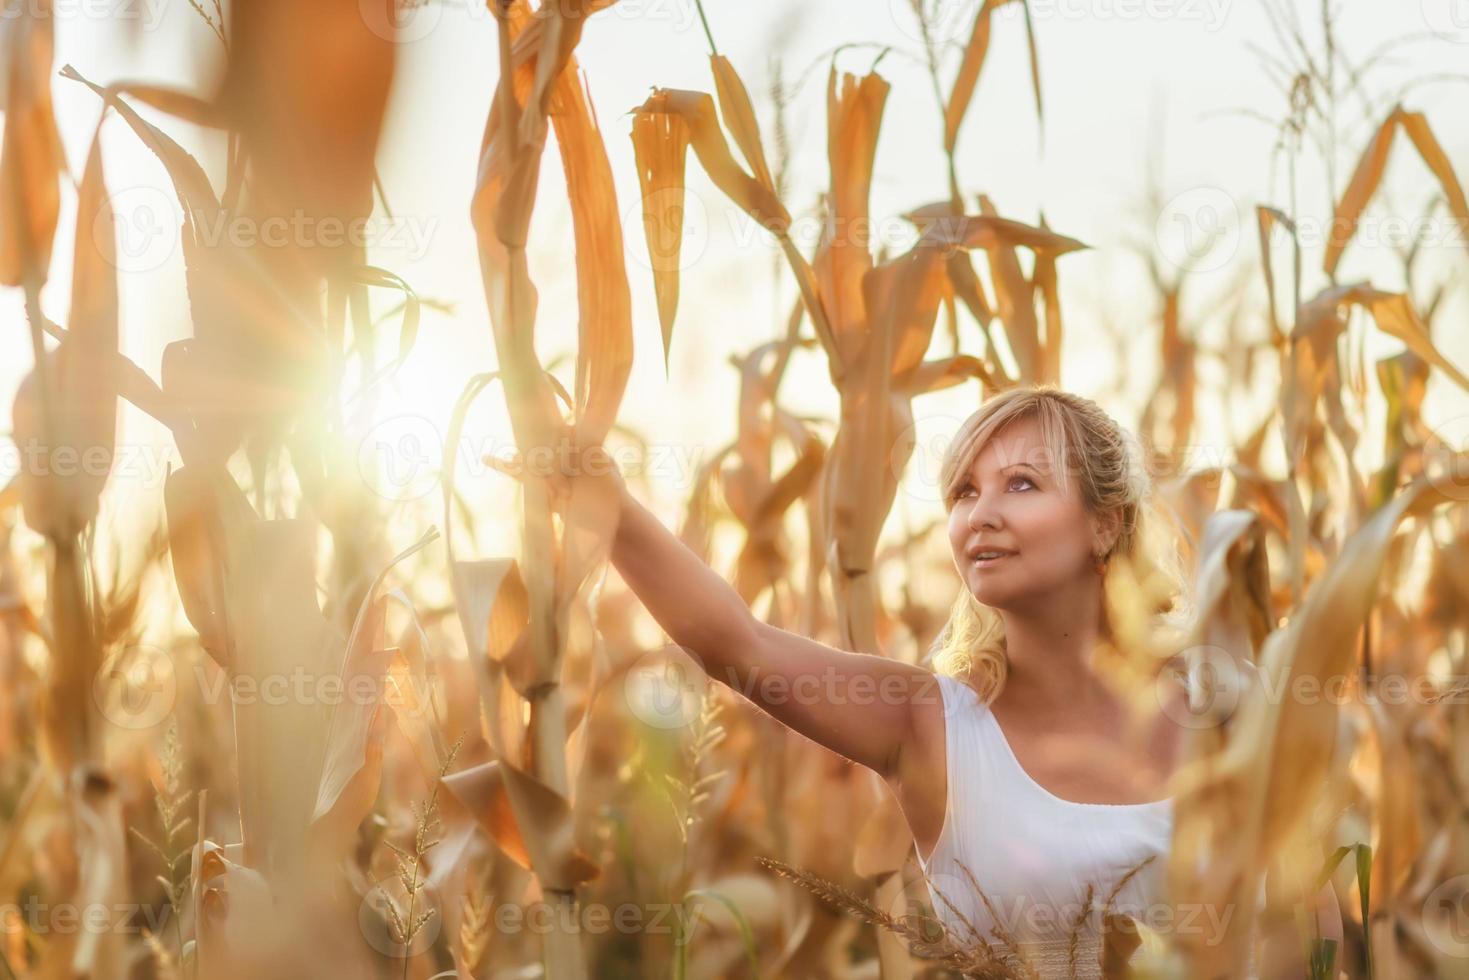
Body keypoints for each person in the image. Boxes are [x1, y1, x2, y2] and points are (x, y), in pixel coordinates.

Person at [550, 383, 1342, 978]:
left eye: (1020, 484)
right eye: (964, 491)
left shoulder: (1227, 710)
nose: (978, 515)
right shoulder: (926, 725)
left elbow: (1319, 939)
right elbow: (736, 642)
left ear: (1104, 523)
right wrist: (607, 503)